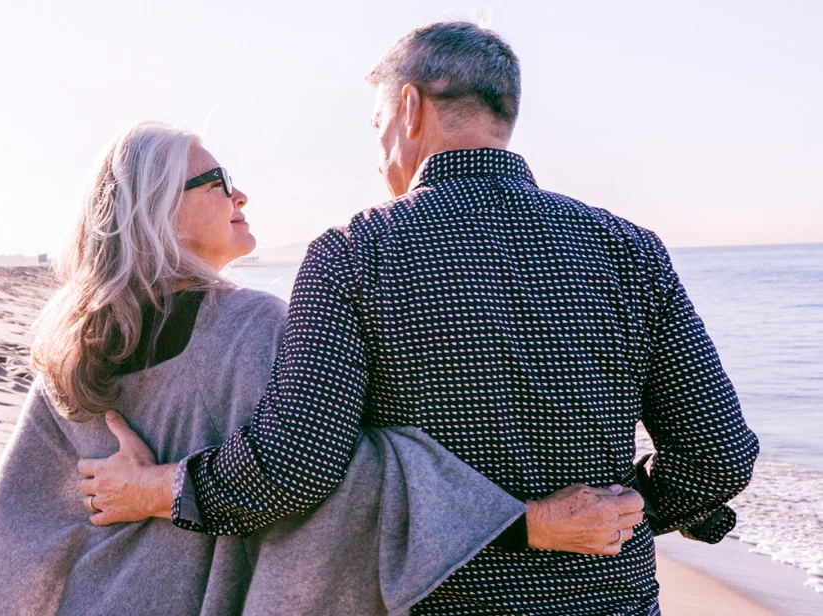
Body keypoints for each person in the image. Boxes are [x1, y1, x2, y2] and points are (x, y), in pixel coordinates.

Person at [81, 21, 760, 615]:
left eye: (377, 125)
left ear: (409, 108)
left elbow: (295, 467)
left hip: (434, 602)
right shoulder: (630, 249)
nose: (379, 153)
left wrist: (159, 490)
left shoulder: (353, 252)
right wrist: (627, 510)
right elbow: (719, 457)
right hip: (610, 598)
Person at [0, 121, 642, 615]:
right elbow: (336, 474)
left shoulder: (72, 345)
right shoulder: (253, 326)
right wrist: (526, 521)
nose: (242, 196)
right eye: (220, 183)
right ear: (161, 209)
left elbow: (22, 525)